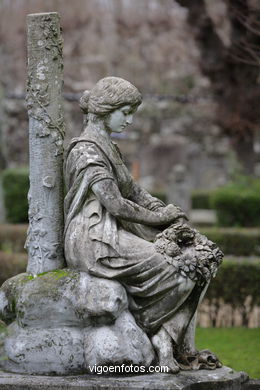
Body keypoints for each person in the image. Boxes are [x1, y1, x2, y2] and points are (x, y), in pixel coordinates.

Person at [64, 77, 222, 372]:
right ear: (104, 109)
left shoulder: (109, 147)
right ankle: (153, 334)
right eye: (125, 112)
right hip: (94, 238)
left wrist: (163, 209)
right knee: (179, 268)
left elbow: (134, 192)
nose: (130, 120)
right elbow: (113, 202)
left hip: (117, 231)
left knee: (203, 260)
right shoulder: (85, 150)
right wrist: (158, 219)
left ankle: (169, 340)